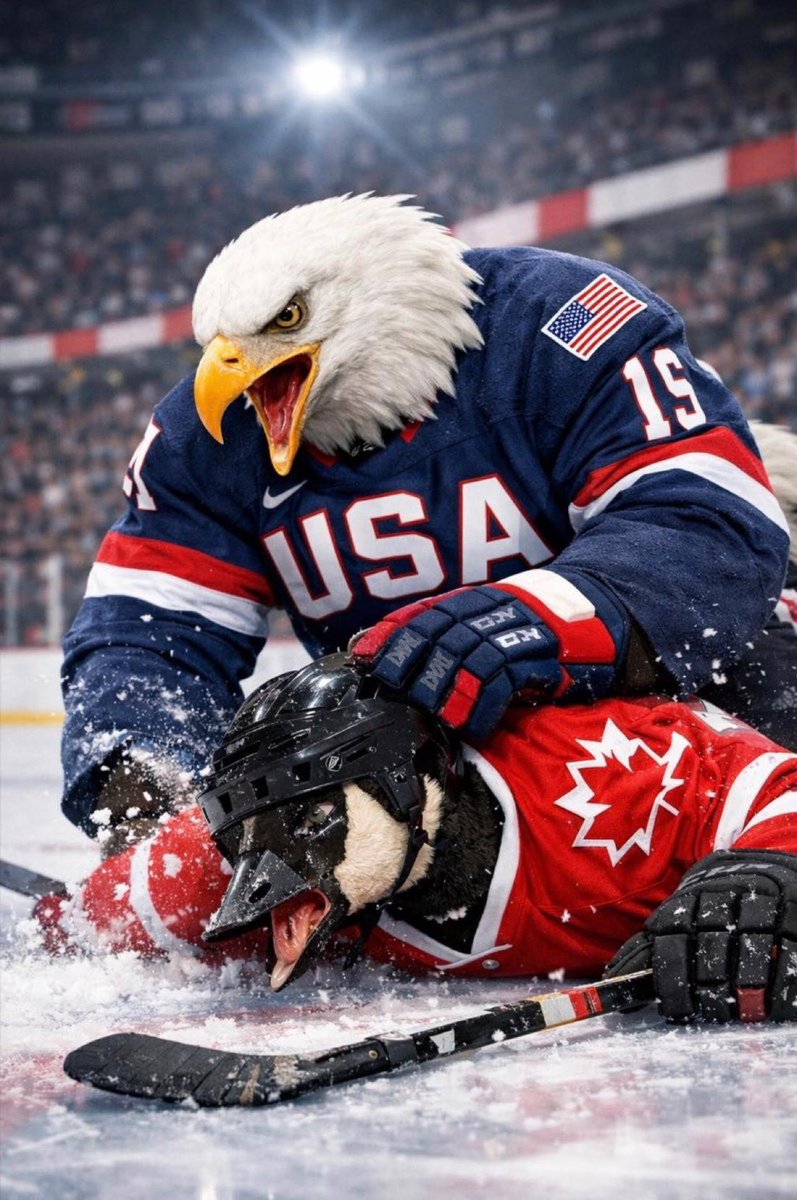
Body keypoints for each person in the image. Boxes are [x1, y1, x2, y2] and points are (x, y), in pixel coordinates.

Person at [59, 195, 791, 853]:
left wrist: (517, 625)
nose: (225, 375)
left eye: (286, 322)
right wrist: (147, 794)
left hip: (680, 705)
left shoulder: (559, 319)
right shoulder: (205, 437)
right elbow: (147, 634)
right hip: (437, 762)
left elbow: (707, 526)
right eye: (217, 348)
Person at [40, 655, 797, 1023]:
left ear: (405, 789)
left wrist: (767, 873)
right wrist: (65, 923)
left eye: (309, 825)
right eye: (243, 843)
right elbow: (75, 926)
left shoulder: (614, 765)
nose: (255, 869)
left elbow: (774, 784)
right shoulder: (213, 860)